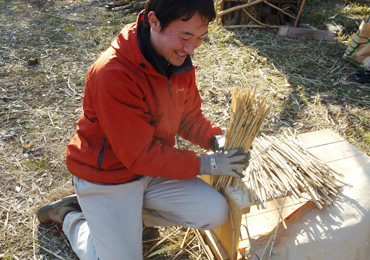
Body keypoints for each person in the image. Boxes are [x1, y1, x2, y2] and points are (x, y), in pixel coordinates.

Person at [37, 0, 250, 259]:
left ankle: (125, 221)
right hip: (109, 177)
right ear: (154, 21)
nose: (191, 47)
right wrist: (207, 165)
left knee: (214, 211)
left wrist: (215, 138)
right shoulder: (113, 73)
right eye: (185, 36)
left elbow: (188, 117)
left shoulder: (176, 59)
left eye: (200, 38)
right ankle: (74, 217)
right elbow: (138, 155)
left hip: (152, 172)